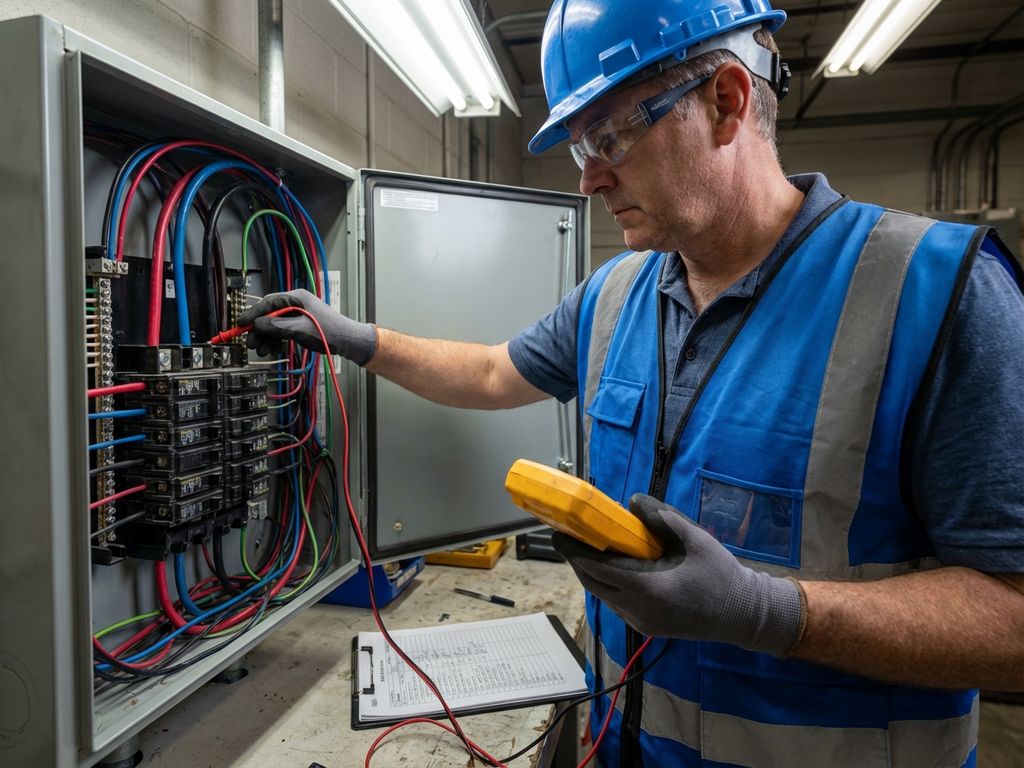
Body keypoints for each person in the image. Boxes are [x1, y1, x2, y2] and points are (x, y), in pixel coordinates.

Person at [238, 1, 1024, 765]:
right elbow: (487, 372)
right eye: (581, 149)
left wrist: (769, 613)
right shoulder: (616, 293)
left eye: (608, 136)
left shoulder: (938, 295)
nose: (590, 181)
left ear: (725, 100)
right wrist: (354, 339)